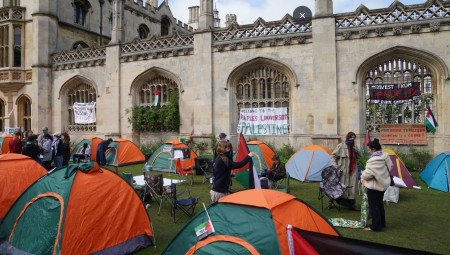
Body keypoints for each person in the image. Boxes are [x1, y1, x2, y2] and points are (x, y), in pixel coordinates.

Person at [362, 138, 392, 232]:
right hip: (383, 185)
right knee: (379, 205)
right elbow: (390, 167)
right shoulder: (385, 156)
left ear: (373, 149)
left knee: (374, 207)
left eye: (369, 150)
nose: (368, 152)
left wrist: (362, 174)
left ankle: (375, 227)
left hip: (374, 186)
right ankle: (381, 223)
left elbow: (367, 175)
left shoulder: (373, 160)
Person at [330, 132, 362, 211]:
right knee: (339, 188)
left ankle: (351, 205)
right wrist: (334, 164)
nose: (353, 139)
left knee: (351, 188)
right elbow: (333, 156)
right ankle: (330, 202)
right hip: (343, 170)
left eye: (354, 137)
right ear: (347, 138)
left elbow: (360, 156)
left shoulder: (354, 147)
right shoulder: (341, 146)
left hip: (352, 171)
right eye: (351, 137)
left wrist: (355, 148)